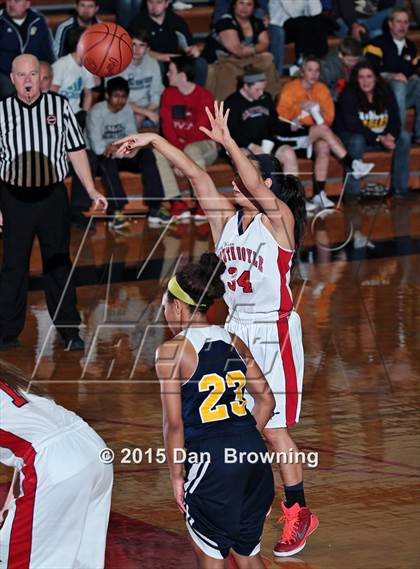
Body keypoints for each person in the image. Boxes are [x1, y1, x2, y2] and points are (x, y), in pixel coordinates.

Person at [113, 101, 319, 557]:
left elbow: (247, 180)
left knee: (273, 428)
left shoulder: (280, 223)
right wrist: (153, 139)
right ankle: (254, 483)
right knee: (242, 422)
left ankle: (299, 511)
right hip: (236, 330)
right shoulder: (226, 224)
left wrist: (229, 143)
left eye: (246, 176)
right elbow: (196, 176)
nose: (233, 180)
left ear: (265, 185)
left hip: (276, 331)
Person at [155, 252, 275, 567]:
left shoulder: (171, 351)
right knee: (248, 556)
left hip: (212, 464)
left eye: (164, 306)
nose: (164, 313)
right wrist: (243, 438)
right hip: (253, 456)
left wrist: (176, 476)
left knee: (212, 558)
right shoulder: (233, 340)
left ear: (178, 306)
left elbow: (174, 425)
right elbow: (267, 400)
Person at [0, 55, 107, 352]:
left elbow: (76, 150)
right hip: (14, 198)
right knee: (13, 267)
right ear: (12, 79)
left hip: (52, 197)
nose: (28, 80)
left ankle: (69, 330)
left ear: (42, 77)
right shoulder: (1, 111)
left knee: (58, 264)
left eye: (33, 74)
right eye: (21, 75)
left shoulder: (59, 107)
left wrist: (90, 188)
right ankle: (6, 333)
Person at [0, 359, 113, 568]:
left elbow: (38, 445)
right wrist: (9, 503)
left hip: (54, 465)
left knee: (20, 561)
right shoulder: (9, 375)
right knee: (80, 561)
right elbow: (32, 438)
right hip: (93, 449)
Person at [277, 57, 374, 211]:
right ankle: (352, 163)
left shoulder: (322, 89)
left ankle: (319, 193)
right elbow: (281, 120)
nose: (314, 74)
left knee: (323, 146)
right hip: (290, 135)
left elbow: (328, 119)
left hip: (313, 135)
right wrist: (299, 109)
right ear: (302, 72)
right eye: (310, 70)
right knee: (322, 130)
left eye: (317, 70)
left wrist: (319, 111)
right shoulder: (290, 89)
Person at [82, 76, 165, 229]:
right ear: (107, 95)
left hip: (121, 152)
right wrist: (124, 150)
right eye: (116, 96)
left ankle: (156, 207)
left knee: (147, 155)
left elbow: (132, 138)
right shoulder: (96, 112)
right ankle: (115, 212)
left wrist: (124, 150)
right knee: (106, 159)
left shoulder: (126, 110)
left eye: (123, 97)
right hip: (102, 157)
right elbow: (99, 148)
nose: (120, 101)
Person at [334, 60, 411, 198]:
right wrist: (379, 138)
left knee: (404, 137)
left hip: (380, 136)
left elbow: (395, 117)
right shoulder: (348, 93)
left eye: (369, 76)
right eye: (361, 77)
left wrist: (391, 136)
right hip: (353, 136)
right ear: (356, 79)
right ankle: (352, 193)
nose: (365, 81)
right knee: (357, 140)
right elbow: (353, 125)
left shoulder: (385, 90)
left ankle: (400, 190)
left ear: (376, 78)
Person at [154, 56, 217, 223]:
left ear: (182, 76)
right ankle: (177, 202)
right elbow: (167, 127)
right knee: (158, 152)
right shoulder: (168, 94)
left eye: (171, 71)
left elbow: (200, 131)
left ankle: (203, 203)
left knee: (192, 149)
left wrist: (178, 159)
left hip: (204, 146)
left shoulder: (204, 96)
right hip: (179, 147)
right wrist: (177, 157)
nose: (167, 74)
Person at [225, 67, 299, 176]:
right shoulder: (232, 102)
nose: (261, 93)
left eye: (263, 89)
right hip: (244, 145)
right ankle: (256, 192)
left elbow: (274, 124)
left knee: (289, 153)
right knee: (246, 161)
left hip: (265, 142)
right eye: (257, 89)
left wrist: (290, 126)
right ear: (245, 86)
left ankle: (291, 192)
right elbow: (232, 132)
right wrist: (251, 146)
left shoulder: (266, 98)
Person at [203, 0, 279, 101]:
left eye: (248, 4)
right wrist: (255, 48)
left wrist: (252, 50)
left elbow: (265, 43)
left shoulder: (256, 22)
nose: (244, 7)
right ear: (234, 5)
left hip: (244, 60)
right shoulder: (225, 22)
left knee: (268, 60)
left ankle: (268, 100)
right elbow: (237, 51)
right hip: (222, 60)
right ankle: (225, 108)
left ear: (253, 8)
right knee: (229, 70)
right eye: (241, 3)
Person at [364, 7, 420, 143]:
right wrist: (390, 76)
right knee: (399, 83)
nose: (403, 26)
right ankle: (398, 133)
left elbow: (414, 70)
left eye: (406, 22)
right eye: (399, 22)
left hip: (404, 94)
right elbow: (368, 72)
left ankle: (419, 135)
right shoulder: (376, 43)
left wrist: (412, 77)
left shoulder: (411, 47)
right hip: (381, 94)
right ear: (390, 24)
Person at [132, 0, 207, 86]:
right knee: (157, 66)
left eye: (159, 2)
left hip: (176, 61)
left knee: (200, 64)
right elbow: (135, 50)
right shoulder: (138, 22)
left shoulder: (177, 21)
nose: (154, 6)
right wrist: (166, 57)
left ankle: (196, 97)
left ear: (166, 3)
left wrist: (193, 50)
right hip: (153, 62)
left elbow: (189, 45)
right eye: (150, 2)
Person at [111, 25, 163, 129]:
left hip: (149, 107)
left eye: (142, 45)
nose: (136, 49)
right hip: (124, 107)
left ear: (148, 49)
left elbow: (156, 95)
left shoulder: (153, 64)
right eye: (133, 44)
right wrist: (143, 112)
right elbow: (115, 98)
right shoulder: (117, 65)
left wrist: (145, 112)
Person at [0, 0, 55, 98]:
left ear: (27, 4)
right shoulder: (1, 20)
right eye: (9, 0)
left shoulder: (38, 21)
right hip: (6, 74)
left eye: (16, 1)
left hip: (34, 72)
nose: (11, 4)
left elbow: (48, 53)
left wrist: (46, 72)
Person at [51, 27, 98, 127]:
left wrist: (84, 115)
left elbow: (88, 94)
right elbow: (51, 94)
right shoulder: (61, 65)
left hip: (75, 114)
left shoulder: (87, 66)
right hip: (58, 114)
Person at [320, 37, 364, 101]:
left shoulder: (361, 60)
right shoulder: (327, 66)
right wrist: (342, 96)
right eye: (350, 60)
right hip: (335, 99)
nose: (353, 64)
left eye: (356, 60)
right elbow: (321, 90)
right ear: (340, 55)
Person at [333, 0, 401, 41]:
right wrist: (354, 25)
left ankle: (363, 31)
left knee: (393, 12)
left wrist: (365, 26)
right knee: (378, 33)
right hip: (346, 21)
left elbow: (386, 9)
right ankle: (361, 33)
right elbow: (346, 9)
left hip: (370, 22)